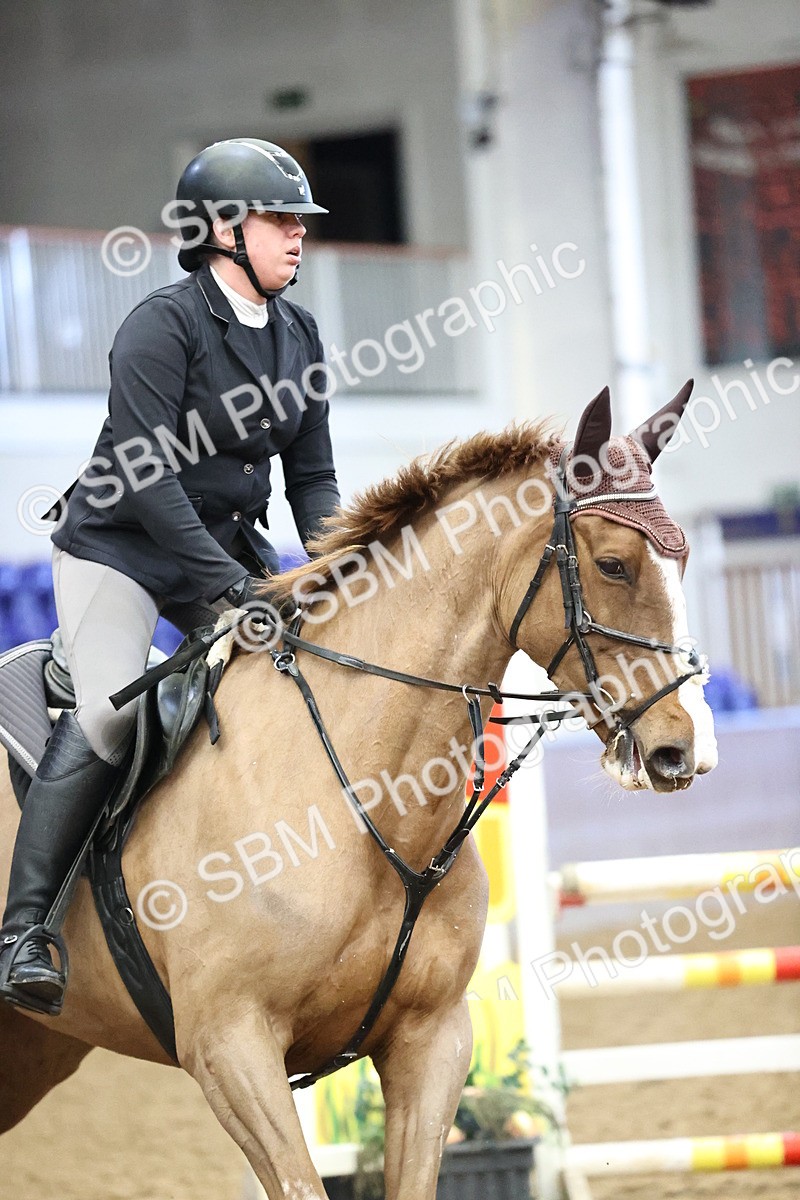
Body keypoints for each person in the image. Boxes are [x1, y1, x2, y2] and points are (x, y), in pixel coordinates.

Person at [0, 138, 340, 1013]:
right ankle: (25, 930)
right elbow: (148, 479)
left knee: (303, 684)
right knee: (115, 718)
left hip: (219, 552)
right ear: (224, 231)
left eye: (300, 222)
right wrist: (228, 590)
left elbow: (311, 477)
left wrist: (342, 562)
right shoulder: (162, 325)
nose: (298, 237)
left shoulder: (299, 333)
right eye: (281, 220)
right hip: (118, 549)